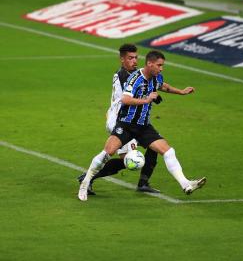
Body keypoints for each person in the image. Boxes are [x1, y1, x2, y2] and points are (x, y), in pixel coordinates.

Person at [78, 50, 206, 201]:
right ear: (150, 64)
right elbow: (125, 99)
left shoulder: (156, 77)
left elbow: (162, 86)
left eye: (162, 66)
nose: (161, 68)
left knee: (168, 151)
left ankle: (185, 184)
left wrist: (181, 92)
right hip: (126, 124)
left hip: (143, 126)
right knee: (111, 154)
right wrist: (146, 100)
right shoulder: (134, 78)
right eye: (159, 65)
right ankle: (85, 181)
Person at [77, 43, 160, 194]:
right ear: (122, 59)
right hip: (121, 121)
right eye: (130, 58)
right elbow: (131, 95)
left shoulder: (136, 74)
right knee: (129, 160)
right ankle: (87, 178)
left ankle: (143, 183)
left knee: (154, 145)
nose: (134, 61)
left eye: (136, 57)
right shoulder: (124, 75)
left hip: (132, 120)